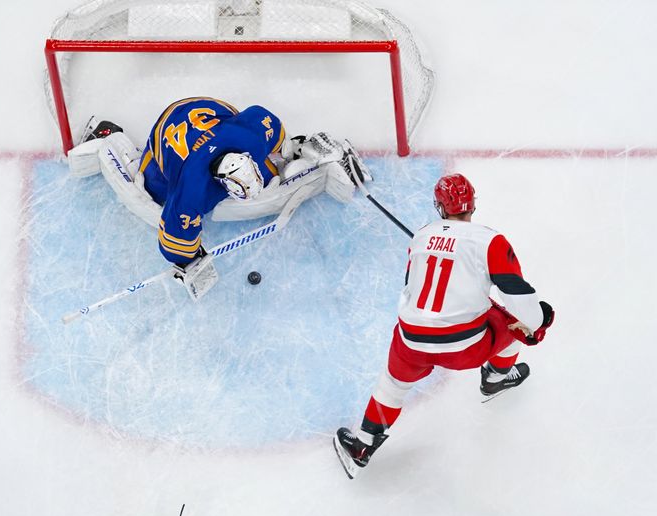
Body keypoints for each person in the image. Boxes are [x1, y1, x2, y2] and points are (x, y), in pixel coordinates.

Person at [333, 173, 555, 479]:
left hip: (410, 341)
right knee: (516, 324)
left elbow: (411, 287)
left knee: (393, 385)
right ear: (473, 203)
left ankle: (363, 444)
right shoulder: (490, 241)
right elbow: (518, 296)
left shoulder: (421, 236)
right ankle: (495, 377)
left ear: (439, 207)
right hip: (465, 348)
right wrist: (539, 322)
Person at [66, 96, 367, 300]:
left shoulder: (252, 139)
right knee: (149, 200)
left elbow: (268, 124)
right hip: (167, 145)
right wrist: (190, 259)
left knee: (268, 182)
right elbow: (172, 237)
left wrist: (291, 151)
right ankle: (108, 139)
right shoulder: (190, 187)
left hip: (208, 111)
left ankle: (320, 159)